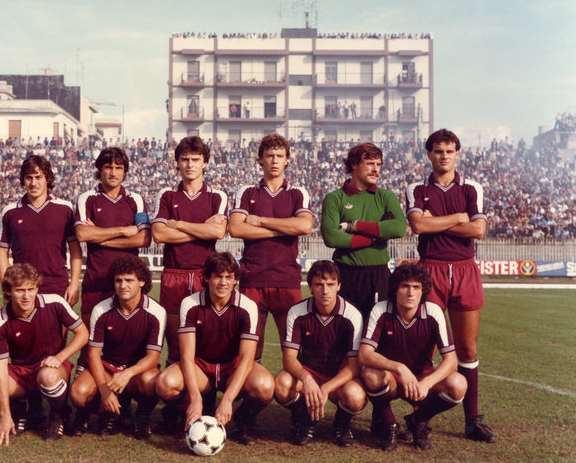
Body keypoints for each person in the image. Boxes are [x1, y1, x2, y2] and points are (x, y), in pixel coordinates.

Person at [405, 128, 495, 442]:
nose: (444, 156)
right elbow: (419, 225)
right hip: (430, 270)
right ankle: (420, 417)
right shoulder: (417, 188)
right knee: (425, 349)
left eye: (449, 151)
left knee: (467, 348)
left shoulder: (472, 187)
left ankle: (473, 421)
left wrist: (439, 222)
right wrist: (459, 218)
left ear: (457, 154)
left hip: (465, 270)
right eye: (438, 151)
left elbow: (478, 230)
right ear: (429, 154)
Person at [154, 252, 274, 445]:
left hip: (233, 368)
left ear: (235, 280)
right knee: (165, 383)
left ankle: (244, 420)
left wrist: (227, 400)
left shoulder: (247, 306)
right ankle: (184, 413)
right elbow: (186, 356)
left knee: (265, 386)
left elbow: (246, 359)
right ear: (207, 278)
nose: (223, 282)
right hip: (201, 368)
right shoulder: (191, 303)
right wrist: (195, 398)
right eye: (217, 276)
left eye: (229, 277)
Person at [0, 263, 88, 444]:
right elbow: (1, 371)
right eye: (20, 290)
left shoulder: (55, 302)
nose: (26, 296)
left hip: (52, 367)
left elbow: (83, 333)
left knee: (48, 377)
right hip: (21, 373)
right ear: (8, 291)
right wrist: (5, 414)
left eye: (31, 289)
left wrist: (60, 357)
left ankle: (58, 415)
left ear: (37, 288)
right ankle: (23, 410)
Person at [359, 262, 466, 451]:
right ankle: (390, 425)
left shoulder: (433, 312)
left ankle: (419, 420)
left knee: (458, 384)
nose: (410, 293)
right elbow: (364, 355)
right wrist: (399, 368)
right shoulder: (381, 309)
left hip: (421, 378)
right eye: (405, 286)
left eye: (416, 287)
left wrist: (427, 383)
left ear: (423, 290)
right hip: (391, 377)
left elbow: (451, 361)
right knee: (371, 375)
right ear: (395, 288)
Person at [228, 134, 313, 361]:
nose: (275, 160)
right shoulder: (247, 192)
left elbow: (304, 226)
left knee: (292, 348)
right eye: (270, 155)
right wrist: (286, 228)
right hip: (252, 277)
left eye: (280, 156)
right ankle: (251, 384)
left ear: (287, 160)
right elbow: (235, 228)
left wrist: (261, 221)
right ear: (261, 159)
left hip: (286, 279)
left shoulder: (297, 192)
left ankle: (293, 385)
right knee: (250, 348)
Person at [70, 256, 166, 440]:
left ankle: (142, 419)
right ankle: (104, 414)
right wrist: (104, 390)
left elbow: (153, 357)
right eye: (118, 280)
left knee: (152, 381)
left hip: (137, 371)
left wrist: (127, 373)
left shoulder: (156, 311)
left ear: (142, 282)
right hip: (109, 367)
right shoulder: (101, 309)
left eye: (129, 280)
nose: (123, 285)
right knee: (78, 392)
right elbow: (93, 354)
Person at [151, 136, 227, 364]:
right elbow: (159, 234)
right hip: (174, 274)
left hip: (205, 275)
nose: (190, 164)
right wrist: (203, 229)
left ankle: (205, 382)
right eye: (185, 159)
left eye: (195, 159)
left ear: (205, 163)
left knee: (206, 339)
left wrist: (179, 224)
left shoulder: (217, 196)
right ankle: (174, 382)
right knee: (174, 342)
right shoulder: (167, 195)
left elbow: (218, 232)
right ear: (177, 163)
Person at [75, 147, 151, 373]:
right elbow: (82, 234)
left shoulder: (136, 200)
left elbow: (144, 239)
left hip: (128, 283)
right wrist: (123, 231)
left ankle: (127, 384)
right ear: (99, 170)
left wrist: (100, 237)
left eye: (119, 167)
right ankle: (83, 384)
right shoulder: (87, 198)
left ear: (125, 171)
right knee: (89, 342)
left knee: (129, 341)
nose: (113, 172)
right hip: (96, 280)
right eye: (108, 167)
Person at [275, 261, 366, 447]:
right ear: (310, 287)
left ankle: (341, 424)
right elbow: (288, 357)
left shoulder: (352, 315)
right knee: (282, 384)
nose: (325, 291)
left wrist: (325, 388)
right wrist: (306, 379)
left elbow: (355, 365)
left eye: (330, 284)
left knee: (355, 396)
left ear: (339, 286)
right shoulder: (297, 312)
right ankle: (305, 419)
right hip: (309, 373)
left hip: (338, 377)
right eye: (319, 284)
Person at [321, 142, 406, 321]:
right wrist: (374, 237)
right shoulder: (334, 198)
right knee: (344, 331)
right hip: (345, 274)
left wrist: (356, 226)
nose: (376, 169)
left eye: (378, 164)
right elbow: (331, 237)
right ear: (354, 164)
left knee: (377, 331)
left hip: (379, 275)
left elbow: (399, 228)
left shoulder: (386, 196)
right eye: (370, 163)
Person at [0, 155, 82, 305]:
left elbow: (75, 249)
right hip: (22, 286)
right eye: (28, 178)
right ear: (23, 180)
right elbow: (2, 252)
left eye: (38, 177)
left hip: (57, 286)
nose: (33, 183)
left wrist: (74, 284)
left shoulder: (66, 209)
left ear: (48, 178)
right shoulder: (10, 212)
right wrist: (7, 288)